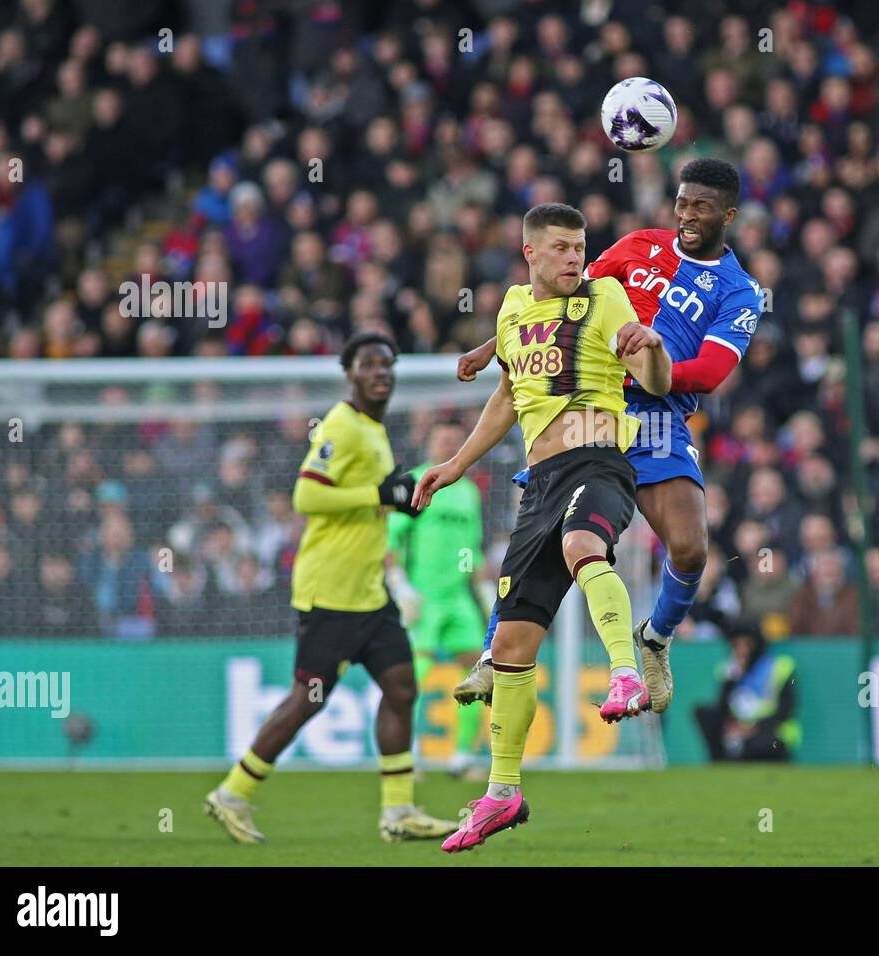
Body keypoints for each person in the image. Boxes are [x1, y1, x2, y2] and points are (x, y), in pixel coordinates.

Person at [454, 158, 765, 715]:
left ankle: (654, 638)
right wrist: (493, 347)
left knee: (691, 548)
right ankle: (490, 654)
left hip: (659, 414)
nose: (687, 215)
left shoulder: (739, 292)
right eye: (682, 202)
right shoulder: (638, 245)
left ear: (729, 215)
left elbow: (713, 371)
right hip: (591, 407)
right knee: (541, 537)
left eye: (702, 207)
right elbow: (561, 299)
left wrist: (650, 361)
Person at [412, 202, 672, 852]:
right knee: (513, 647)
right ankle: (502, 794)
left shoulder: (606, 298)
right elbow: (506, 399)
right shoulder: (512, 311)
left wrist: (657, 349)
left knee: (585, 545)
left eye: (579, 246)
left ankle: (625, 670)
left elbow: (655, 381)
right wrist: (452, 465)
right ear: (530, 253)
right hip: (541, 484)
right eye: (560, 248)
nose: (574, 257)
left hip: (601, 461)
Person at [204, 332, 459, 845]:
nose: (380, 372)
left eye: (387, 364)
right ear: (350, 373)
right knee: (307, 700)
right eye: (369, 364)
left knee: (402, 687)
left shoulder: (373, 429)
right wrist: (379, 492)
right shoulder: (341, 425)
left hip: (369, 592)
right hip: (332, 592)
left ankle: (398, 810)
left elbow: (367, 502)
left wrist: (395, 500)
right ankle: (232, 793)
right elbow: (305, 496)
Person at [386, 421, 488, 778]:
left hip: (458, 598)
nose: (448, 445)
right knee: (413, 676)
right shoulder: (412, 483)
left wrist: (483, 591)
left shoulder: (468, 492)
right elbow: (391, 541)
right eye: (442, 439)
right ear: (428, 442)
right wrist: (400, 586)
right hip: (423, 597)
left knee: (477, 671)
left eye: (455, 441)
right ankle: (404, 756)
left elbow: (469, 549)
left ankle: (462, 757)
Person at [694, 620, 799, 762]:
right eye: (737, 645)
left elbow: (786, 710)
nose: (741, 651)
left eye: (746, 645)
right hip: (738, 727)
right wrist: (733, 678)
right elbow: (722, 708)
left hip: (769, 730)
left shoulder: (780, 667)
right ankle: (720, 761)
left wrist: (753, 727)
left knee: (764, 743)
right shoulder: (729, 670)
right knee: (704, 713)